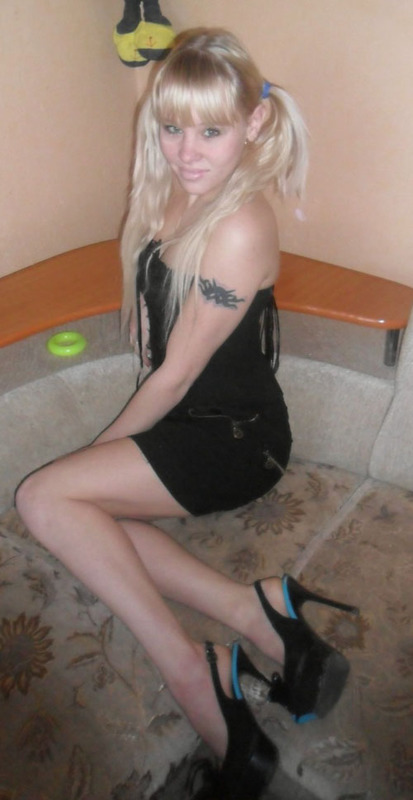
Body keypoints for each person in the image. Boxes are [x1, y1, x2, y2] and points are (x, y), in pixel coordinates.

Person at [15, 28, 358, 800]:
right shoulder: (166, 189)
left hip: (239, 441)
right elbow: (153, 337)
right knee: (83, 517)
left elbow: (171, 380)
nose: (187, 151)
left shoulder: (240, 223)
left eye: (210, 131)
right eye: (172, 128)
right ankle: (254, 609)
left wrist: (86, 464)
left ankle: (193, 670)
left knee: (46, 499)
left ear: (253, 124)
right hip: (190, 425)